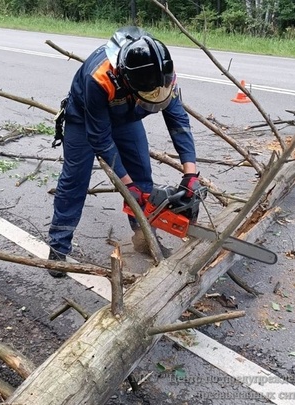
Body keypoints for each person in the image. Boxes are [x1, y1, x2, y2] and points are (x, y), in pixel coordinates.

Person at [47, 26, 200, 277]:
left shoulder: (160, 71)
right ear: (126, 80)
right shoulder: (98, 78)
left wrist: (190, 173)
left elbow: (178, 121)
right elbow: (100, 137)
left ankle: (144, 239)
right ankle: (58, 246)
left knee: (142, 177)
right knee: (75, 180)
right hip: (85, 120)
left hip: (126, 117)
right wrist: (125, 183)